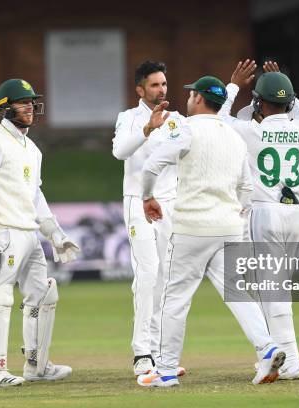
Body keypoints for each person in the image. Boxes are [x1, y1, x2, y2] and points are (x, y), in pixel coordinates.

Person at [136, 76, 286, 388]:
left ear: (199, 99)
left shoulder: (186, 129)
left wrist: (148, 197)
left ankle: (164, 370)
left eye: (191, 94)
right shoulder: (233, 135)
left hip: (192, 227)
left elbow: (151, 166)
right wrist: (237, 212)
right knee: (238, 294)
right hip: (229, 227)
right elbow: (246, 187)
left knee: (174, 299)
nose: (188, 98)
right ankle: (267, 347)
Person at [219, 60, 299, 380]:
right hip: (295, 215)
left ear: (260, 102)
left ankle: (292, 362)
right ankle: (273, 357)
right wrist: (283, 81)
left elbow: (219, 119)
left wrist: (233, 86)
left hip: (265, 212)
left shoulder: (252, 131)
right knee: (272, 287)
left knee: (272, 291)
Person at [0, 78, 78, 387]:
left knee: (43, 294)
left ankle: (36, 365)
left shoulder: (32, 148)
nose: (30, 107)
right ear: (5, 108)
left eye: (32, 102)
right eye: (22, 102)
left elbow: (35, 195)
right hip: (4, 231)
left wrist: (54, 232)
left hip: (29, 233)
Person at [112, 61, 186, 376]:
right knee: (147, 273)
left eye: (164, 84)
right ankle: (141, 352)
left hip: (170, 204)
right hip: (137, 204)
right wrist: (147, 129)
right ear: (140, 89)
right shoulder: (128, 119)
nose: (161, 90)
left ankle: (159, 353)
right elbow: (119, 152)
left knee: (166, 277)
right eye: (154, 85)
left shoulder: (178, 120)